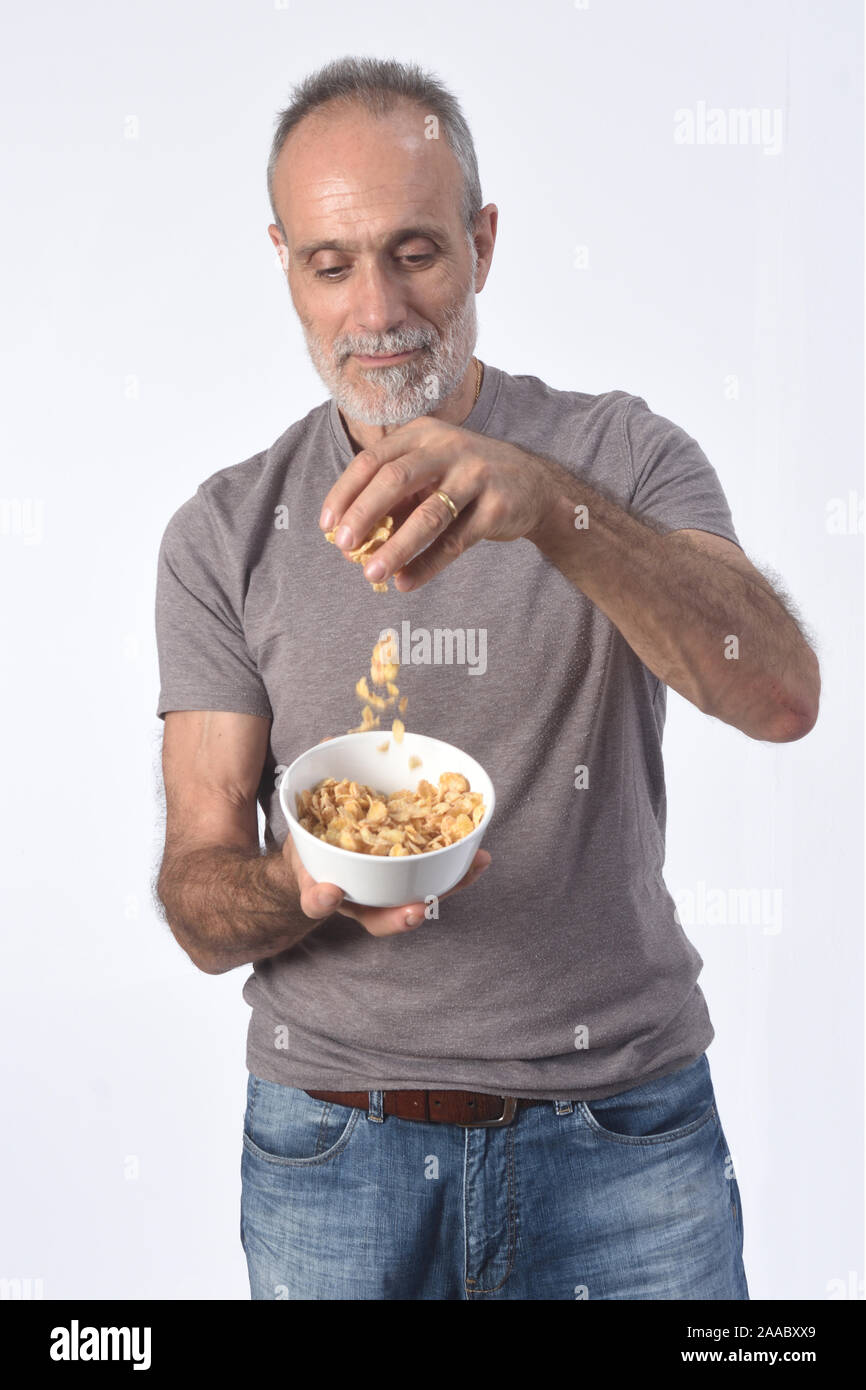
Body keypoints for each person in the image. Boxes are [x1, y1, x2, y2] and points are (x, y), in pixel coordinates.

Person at [154, 56, 820, 1301]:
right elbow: (197, 901)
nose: (375, 309)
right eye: (330, 261)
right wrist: (301, 885)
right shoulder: (224, 531)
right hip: (332, 1145)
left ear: (482, 243)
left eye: (415, 250)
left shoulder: (616, 452)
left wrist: (554, 511)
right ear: (285, 264)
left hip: (625, 1137)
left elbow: (777, 695)